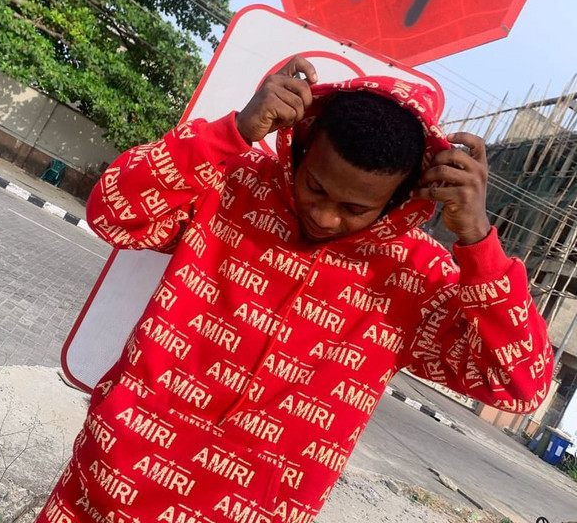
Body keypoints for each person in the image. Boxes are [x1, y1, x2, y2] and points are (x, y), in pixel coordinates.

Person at [36, 56, 553, 523]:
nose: (326, 216)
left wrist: (479, 244)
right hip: (99, 492)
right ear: (301, 147)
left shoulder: (416, 278)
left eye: (355, 208)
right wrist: (232, 132)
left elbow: (522, 384)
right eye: (316, 187)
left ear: (400, 198)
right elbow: (114, 212)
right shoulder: (232, 184)